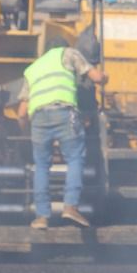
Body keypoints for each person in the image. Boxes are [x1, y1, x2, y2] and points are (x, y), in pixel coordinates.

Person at [18, 40, 106, 229]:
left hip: (39, 118)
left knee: (41, 165)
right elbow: (96, 77)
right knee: (75, 158)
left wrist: (26, 130)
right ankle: (70, 207)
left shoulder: (33, 68)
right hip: (64, 112)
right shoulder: (69, 53)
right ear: (63, 46)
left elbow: (21, 112)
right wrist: (105, 78)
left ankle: (41, 217)